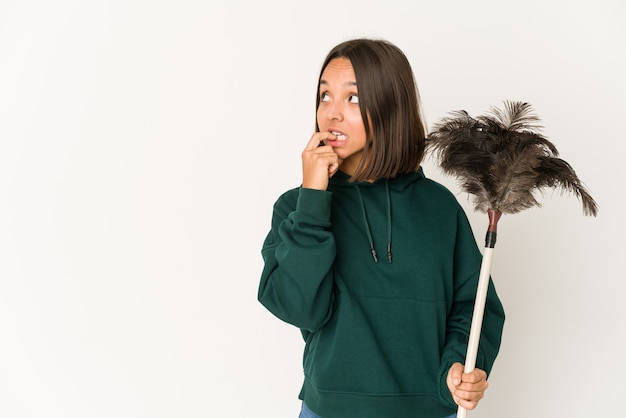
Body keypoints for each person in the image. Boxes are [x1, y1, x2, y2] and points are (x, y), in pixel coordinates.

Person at [257, 38, 505, 418]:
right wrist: (313, 200)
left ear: (390, 106)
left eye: (352, 98)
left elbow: (475, 306)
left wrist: (457, 367)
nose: (332, 114)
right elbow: (298, 308)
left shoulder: (438, 208)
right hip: (328, 411)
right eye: (324, 96)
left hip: (427, 411)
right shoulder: (298, 207)